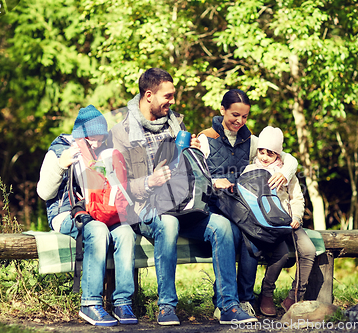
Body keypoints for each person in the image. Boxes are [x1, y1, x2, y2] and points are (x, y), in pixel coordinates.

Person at [108, 68, 257, 326]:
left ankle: (229, 305)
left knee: (223, 226)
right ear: (148, 95)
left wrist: (193, 152)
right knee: (168, 223)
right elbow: (118, 186)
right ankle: (166, 306)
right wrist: (148, 181)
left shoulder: (177, 122)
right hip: (147, 208)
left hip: (184, 203)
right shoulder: (121, 133)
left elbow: (187, 167)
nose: (173, 101)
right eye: (168, 96)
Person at [197, 89, 299, 317]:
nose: (239, 121)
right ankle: (223, 300)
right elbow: (194, 174)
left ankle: (244, 298)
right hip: (215, 206)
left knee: (250, 239)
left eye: (244, 116)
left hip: (243, 207)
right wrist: (214, 181)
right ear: (222, 110)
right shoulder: (205, 138)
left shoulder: (250, 140)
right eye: (235, 115)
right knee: (231, 235)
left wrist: (287, 172)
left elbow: (287, 156)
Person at [37, 105, 137, 326]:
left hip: (99, 212)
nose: (98, 144)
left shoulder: (103, 152)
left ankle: (122, 301)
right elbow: (44, 193)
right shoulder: (59, 151)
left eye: (102, 139)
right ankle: (90, 303)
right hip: (65, 214)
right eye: (93, 139)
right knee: (98, 230)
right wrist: (62, 166)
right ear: (81, 135)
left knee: (125, 232)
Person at [241, 126, 316, 315]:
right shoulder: (251, 169)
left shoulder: (286, 173)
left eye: (271, 153)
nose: (265, 156)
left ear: (278, 153)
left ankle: (295, 295)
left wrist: (297, 217)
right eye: (262, 151)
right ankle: (266, 294)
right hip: (267, 224)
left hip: (289, 221)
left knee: (308, 250)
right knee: (281, 252)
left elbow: (297, 198)